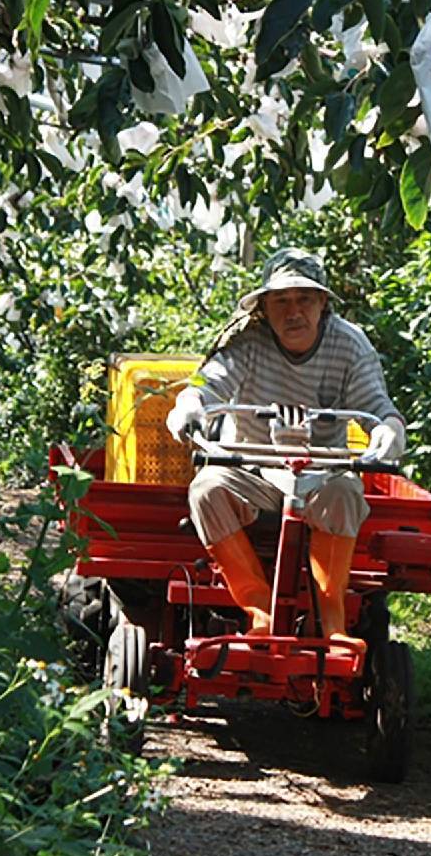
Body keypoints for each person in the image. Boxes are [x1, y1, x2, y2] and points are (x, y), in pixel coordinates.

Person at [164, 248, 406, 642]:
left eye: (304, 299)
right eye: (281, 301)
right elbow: (208, 385)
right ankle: (260, 612)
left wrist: (390, 431)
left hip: (319, 472)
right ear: (265, 306)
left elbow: (376, 406)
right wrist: (189, 406)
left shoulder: (349, 344)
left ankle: (333, 623)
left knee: (346, 489)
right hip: (250, 469)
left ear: (323, 302)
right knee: (207, 489)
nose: (294, 312)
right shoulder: (244, 341)